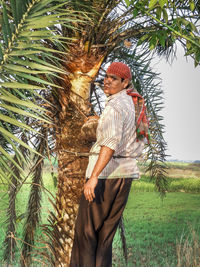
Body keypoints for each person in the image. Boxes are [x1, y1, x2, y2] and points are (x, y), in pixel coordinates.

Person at [70, 62, 148, 267]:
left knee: (86, 235)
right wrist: (100, 119)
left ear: (125, 82)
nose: (107, 81)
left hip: (106, 176)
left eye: (114, 78)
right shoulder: (132, 104)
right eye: (106, 76)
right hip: (126, 175)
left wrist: (94, 177)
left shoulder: (114, 106)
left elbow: (110, 143)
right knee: (104, 239)